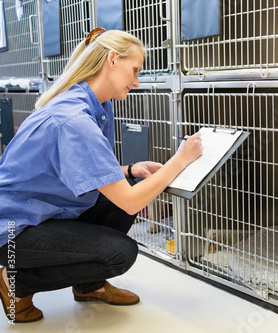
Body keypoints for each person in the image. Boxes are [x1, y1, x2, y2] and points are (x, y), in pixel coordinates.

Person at [0, 28, 202, 323]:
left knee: (133, 181)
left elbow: (74, 168)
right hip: (13, 230)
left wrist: (130, 170)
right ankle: (14, 280)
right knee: (120, 253)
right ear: (111, 60)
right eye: (134, 70)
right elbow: (132, 203)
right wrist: (180, 160)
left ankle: (88, 287)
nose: (136, 81)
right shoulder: (74, 119)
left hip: (44, 210)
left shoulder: (96, 105)